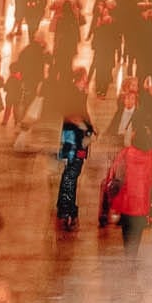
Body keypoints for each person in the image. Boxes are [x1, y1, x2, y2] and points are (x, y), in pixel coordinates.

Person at [102, 131, 152, 253]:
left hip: (126, 200)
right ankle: (133, 253)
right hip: (143, 201)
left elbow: (117, 174)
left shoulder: (125, 153)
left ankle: (128, 252)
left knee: (126, 229)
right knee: (137, 230)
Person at [56, 84, 95, 230]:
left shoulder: (77, 98)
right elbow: (79, 119)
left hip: (73, 146)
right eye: (84, 81)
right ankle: (68, 212)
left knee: (68, 176)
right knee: (70, 178)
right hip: (75, 146)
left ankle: (63, 208)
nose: (86, 85)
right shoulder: (75, 100)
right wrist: (87, 129)